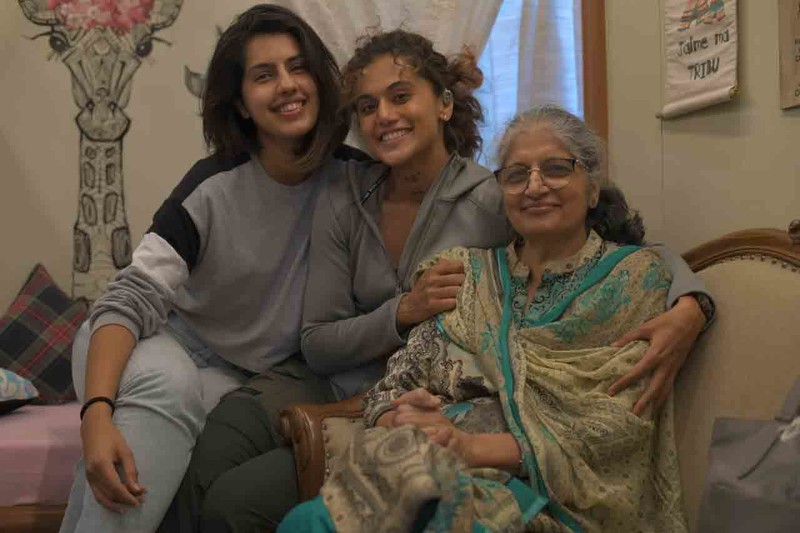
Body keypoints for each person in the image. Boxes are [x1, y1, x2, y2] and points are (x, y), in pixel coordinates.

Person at [173, 29, 711, 532]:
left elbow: (615, 252)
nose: (384, 116)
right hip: (336, 379)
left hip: (420, 408)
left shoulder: (493, 199)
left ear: (444, 104)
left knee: (234, 501)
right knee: (211, 451)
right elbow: (317, 340)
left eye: (401, 96)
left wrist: (693, 302)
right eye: (367, 106)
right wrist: (403, 312)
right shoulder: (348, 194)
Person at [280, 104, 689, 533]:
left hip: (550, 499)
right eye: (516, 175)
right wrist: (404, 415)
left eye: (555, 169)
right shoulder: (466, 275)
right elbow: (392, 387)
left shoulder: (634, 279)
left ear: (591, 188)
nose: (534, 186)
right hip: (427, 473)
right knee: (303, 522)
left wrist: (470, 447)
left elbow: (615, 423)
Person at [60, 5, 350, 532]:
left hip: (238, 378)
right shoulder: (212, 186)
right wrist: (95, 413)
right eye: (264, 75)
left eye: (297, 66)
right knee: (168, 388)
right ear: (240, 103)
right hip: (153, 342)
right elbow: (128, 300)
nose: (286, 85)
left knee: (149, 451)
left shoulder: (357, 181)